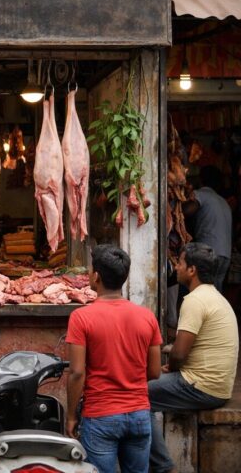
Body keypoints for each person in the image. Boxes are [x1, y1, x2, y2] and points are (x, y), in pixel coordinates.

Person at [65, 244, 162, 473]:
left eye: (90, 270)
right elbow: (155, 372)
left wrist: (70, 416)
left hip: (101, 416)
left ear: (96, 277)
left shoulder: (81, 317)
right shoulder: (147, 317)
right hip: (139, 415)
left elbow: (77, 373)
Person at [149, 242, 239, 473]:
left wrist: (172, 365)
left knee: (136, 394)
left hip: (203, 388)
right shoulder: (214, 297)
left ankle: (164, 467)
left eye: (179, 262)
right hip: (216, 385)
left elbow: (180, 352)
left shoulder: (195, 301)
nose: (176, 267)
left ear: (192, 270)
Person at [182, 166, 232, 291]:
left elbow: (186, 211)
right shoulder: (223, 202)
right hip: (225, 255)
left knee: (201, 292)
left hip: (209, 253)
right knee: (215, 294)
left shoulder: (201, 194)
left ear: (201, 179)